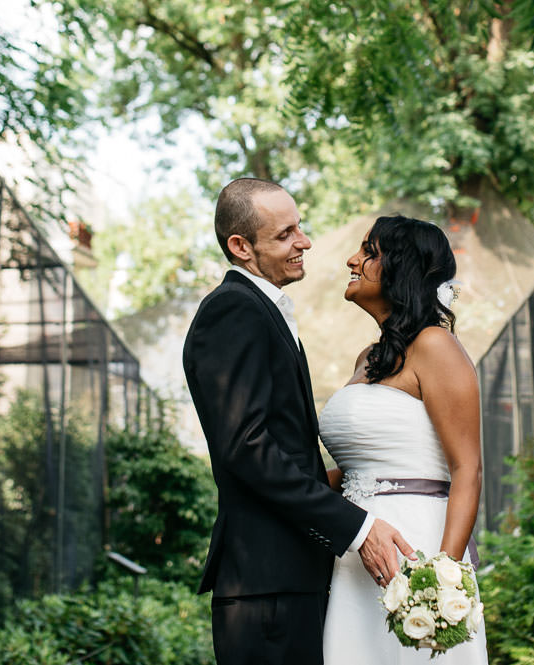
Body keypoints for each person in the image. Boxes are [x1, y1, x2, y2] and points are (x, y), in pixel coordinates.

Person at [184, 178, 414, 665]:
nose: (305, 242)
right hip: (268, 589)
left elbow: (278, 448)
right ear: (241, 246)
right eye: (286, 233)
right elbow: (247, 448)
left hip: (289, 581)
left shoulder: (261, 310)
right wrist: (358, 526)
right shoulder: (232, 311)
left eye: (300, 228)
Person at [320, 215, 488, 664]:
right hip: (356, 553)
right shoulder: (368, 357)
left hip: (416, 550)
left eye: (368, 252)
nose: (352, 260)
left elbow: (467, 469)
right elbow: (363, 467)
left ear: (401, 269)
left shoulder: (436, 346)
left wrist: (441, 582)